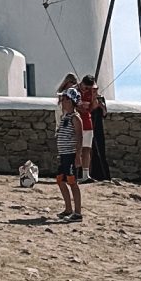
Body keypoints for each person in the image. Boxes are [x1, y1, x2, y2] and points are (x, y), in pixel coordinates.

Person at [53, 87, 83, 222]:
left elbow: (79, 137)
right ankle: (68, 209)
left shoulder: (75, 118)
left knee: (72, 182)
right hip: (64, 154)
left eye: (65, 99)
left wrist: (78, 155)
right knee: (60, 180)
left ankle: (77, 212)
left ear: (71, 101)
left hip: (70, 154)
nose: (62, 101)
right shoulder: (65, 116)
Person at [79, 76, 110, 181]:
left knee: (99, 150)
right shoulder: (84, 96)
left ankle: (101, 175)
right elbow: (88, 110)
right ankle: (86, 173)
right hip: (88, 124)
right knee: (86, 150)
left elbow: (105, 114)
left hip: (97, 126)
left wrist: (101, 106)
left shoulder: (100, 98)